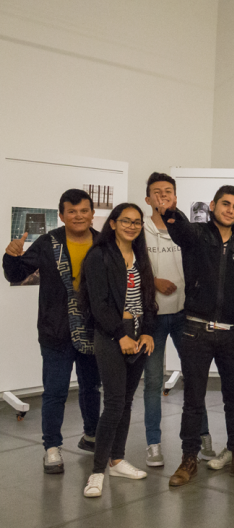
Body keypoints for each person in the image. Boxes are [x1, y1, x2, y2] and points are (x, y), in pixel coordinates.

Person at [153, 185, 234, 487]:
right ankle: (188, 459)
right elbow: (178, 229)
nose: (230, 210)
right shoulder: (196, 235)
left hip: (232, 335)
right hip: (195, 331)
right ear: (213, 205)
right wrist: (170, 211)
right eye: (225, 204)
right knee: (193, 401)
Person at [3, 189, 101, 474]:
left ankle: (92, 435)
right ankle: (52, 448)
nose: (78, 216)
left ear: (92, 214)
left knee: (91, 388)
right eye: (72, 211)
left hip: (93, 329)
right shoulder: (48, 242)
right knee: (55, 392)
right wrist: (11, 256)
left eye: (83, 211)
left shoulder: (102, 243)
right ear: (61, 215)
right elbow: (16, 274)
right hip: (55, 330)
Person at [80, 203, 157, 497]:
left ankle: (117, 460)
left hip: (138, 332)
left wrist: (147, 331)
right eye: (126, 221)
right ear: (112, 223)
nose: (131, 226)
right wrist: (120, 334)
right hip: (112, 334)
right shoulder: (98, 255)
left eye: (137, 222)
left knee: (125, 402)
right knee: (113, 403)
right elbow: (98, 303)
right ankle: (97, 472)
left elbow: (148, 298)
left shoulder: (140, 255)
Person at [142, 172, 214, 468]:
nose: (162, 196)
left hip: (186, 315)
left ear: (175, 197)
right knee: (153, 382)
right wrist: (154, 281)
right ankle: (153, 442)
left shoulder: (188, 230)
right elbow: (128, 269)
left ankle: (204, 436)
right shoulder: (140, 230)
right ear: (148, 199)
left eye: (168, 191)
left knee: (195, 379)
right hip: (153, 318)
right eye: (157, 192)